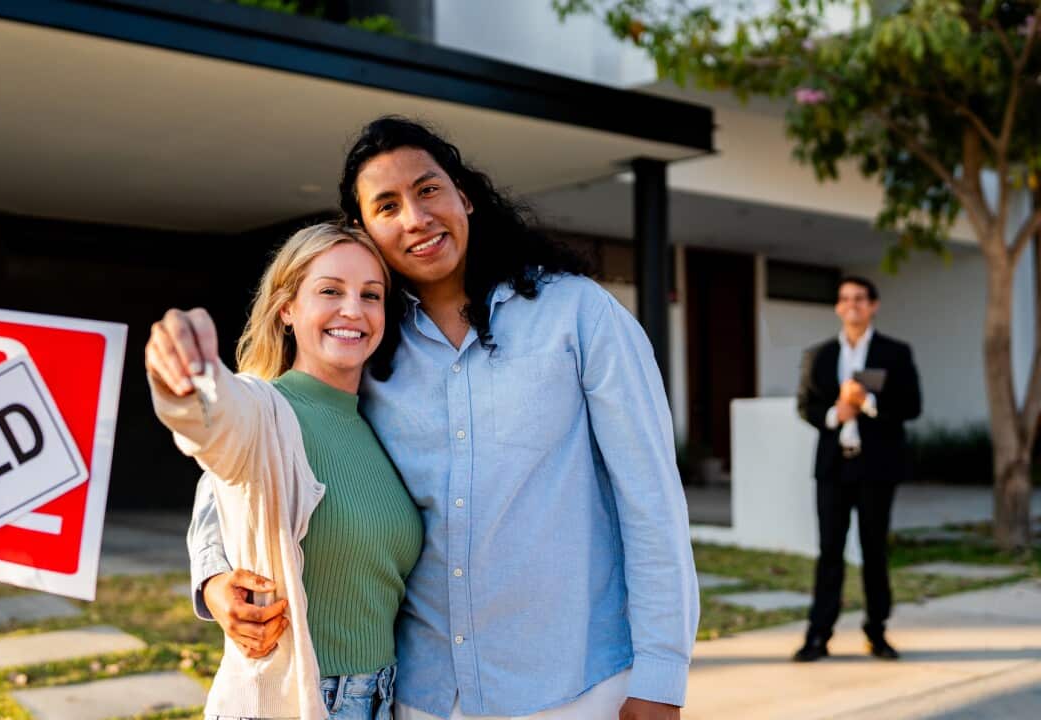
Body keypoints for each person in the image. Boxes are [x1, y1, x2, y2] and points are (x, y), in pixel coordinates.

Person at [190, 117, 698, 720]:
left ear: (465, 196)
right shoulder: (368, 344)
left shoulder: (579, 315)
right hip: (424, 696)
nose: (415, 218)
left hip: (575, 687)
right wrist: (214, 578)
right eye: (387, 205)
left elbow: (652, 498)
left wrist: (663, 674)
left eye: (428, 190)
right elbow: (246, 457)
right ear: (366, 231)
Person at [147, 222, 423, 719]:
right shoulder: (264, 409)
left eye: (371, 295)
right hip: (292, 702)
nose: (353, 310)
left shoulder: (383, 422)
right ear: (287, 309)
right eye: (330, 291)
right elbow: (214, 423)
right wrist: (187, 381)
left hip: (383, 699)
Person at [794, 275, 922, 663]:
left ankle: (877, 632)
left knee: (873, 551)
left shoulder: (895, 353)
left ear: (873, 305)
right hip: (834, 467)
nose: (852, 305)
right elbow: (805, 405)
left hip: (877, 468)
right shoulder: (818, 355)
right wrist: (837, 412)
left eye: (860, 299)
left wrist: (868, 403)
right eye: (845, 299)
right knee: (829, 552)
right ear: (837, 306)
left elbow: (912, 406)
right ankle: (818, 635)